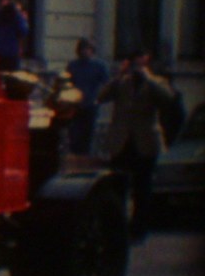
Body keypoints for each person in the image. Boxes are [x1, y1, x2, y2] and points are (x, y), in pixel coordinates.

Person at [97, 48, 175, 242]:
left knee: (142, 188)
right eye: (134, 61)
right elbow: (101, 96)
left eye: (141, 61)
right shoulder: (122, 83)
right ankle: (116, 229)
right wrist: (119, 76)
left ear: (147, 62)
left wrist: (147, 78)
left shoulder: (157, 82)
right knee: (117, 187)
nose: (137, 65)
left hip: (145, 142)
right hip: (121, 142)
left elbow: (168, 99)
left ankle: (139, 229)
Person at [65, 37, 110, 155]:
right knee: (74, 135)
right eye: (82, 49)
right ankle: (75, 157)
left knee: (87, 135)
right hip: (75, 105)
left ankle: (85, 159)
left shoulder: (99, 66)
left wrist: (99, 99)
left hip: (90, 105)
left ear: (92, 50)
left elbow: (107, 84)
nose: (85, 52)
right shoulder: (73, 65)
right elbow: (68, 84)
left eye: (87, 49)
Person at [0, 0, 29, 72]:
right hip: (1, 56)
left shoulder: (16, 17)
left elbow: (23, 31)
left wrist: (18, 15)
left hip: (9, 57)